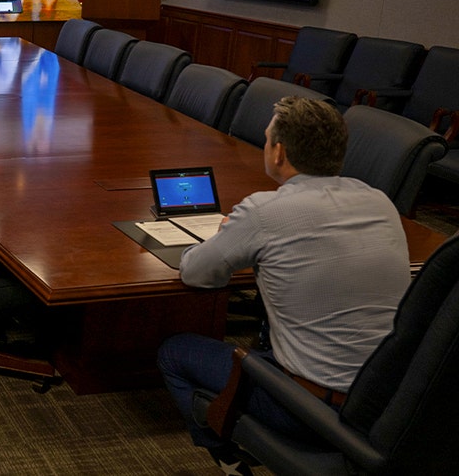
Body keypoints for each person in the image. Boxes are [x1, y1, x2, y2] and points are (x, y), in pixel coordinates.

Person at [157, 96, 410, 476]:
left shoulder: (263, 211)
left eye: (266, 139)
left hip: (309, 409)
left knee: (174, 352)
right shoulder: (380, 202)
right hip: (385, 404)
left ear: (278, 152)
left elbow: (196, 273)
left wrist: (225, 237)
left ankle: (229, 458)